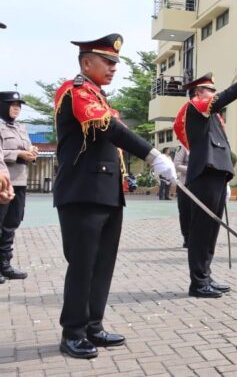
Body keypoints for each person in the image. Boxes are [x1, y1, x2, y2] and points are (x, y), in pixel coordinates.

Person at [53, 34, 176, 359]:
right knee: (82, 265)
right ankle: (73, 333)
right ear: (86, 62)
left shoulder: (99, 96)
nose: (113, 68)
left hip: (106, 194)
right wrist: (152, 155)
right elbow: (108, 127)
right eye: (107, 61)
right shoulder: (75, 91)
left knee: (102, 264)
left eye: (115, 63)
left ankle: (93, 325)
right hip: (82, 193)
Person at [173, 65, 237, 298]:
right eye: (209, 90)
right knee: (201, 231)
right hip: (205, 174)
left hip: (216, 173)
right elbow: (224, 98)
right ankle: (198, 283)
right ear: (198, 93)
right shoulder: (194, 106)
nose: (213, 94)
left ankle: (205, 276)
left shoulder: (210, 115)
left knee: (211, 230)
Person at [0, 91, 35, 280]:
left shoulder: (21, 128)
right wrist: (18, 154)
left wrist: (31, 153)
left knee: (12, 223)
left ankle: (5, 264)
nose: (16, 108)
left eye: (19, 105)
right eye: (11, 104)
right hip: (3, 183)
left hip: (20, 181)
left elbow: (26, 148)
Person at [173, 144, 191, 248]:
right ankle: (187, 238)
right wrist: (193, 168)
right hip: (184, 184)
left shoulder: (203, 143)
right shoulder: (183, 146)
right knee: (185, 213)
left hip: (199, 185)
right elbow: (177, 165)